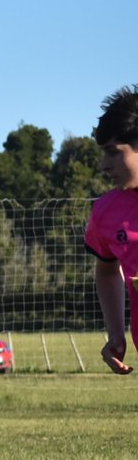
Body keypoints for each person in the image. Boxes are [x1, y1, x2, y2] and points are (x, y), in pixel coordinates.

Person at [87, 85, 138, 376]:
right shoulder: (105, 212)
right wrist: (116, 331)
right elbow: (107, 271)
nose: (105, 165)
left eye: (113, 152)